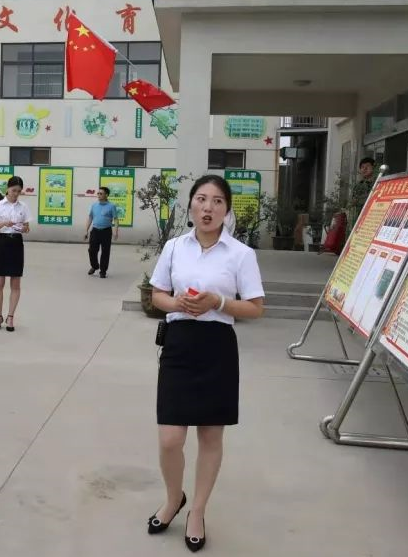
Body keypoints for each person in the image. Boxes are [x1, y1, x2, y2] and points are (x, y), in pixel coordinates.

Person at [146, 175, 265, 553]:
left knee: (211, 437)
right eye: (201, 199)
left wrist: (218, 302)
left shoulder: (241, 254)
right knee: (170, 439)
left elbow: (255, 308)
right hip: (179, 345)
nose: (208, 207)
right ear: (191, 206)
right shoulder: (174, 247)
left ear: (226, 210)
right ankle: (173, 498)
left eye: (217, 201)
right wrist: (177, 303)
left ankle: (197, 511)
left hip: (217, 347)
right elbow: (157, 295)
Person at [0, 176, 30, 332]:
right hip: (2, 242)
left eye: (19, 191)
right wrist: (3, 223)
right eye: (13, 190)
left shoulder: (23, 207)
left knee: (15, 283)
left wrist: (23, 228)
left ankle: (10, 317)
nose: (16, 194)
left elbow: (27, 228)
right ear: (7, 189)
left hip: (17, 243)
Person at [84, 186, 119, 279]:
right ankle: (95, 266)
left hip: (106, 231)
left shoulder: (111, 206)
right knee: (92, 250)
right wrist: (86, 230)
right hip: (95, 231)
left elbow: (115, 219)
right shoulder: (94, 205)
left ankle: (103, 271)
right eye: (98, 193)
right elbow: (90, 217)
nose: (99, 195)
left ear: (106, 195)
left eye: (101, 193)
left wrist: (115, 231)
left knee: (105, 252)